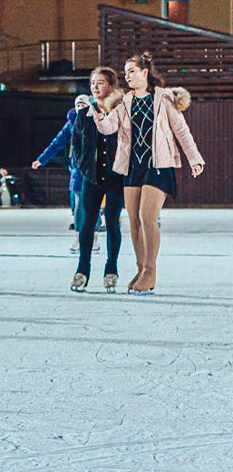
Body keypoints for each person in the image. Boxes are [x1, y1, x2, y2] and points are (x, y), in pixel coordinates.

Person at [92, 52, 204, 294]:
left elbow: (182, 131)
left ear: (145, 72)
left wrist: (194, 158)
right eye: (125, 72)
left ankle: (150, 271)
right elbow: (110, 127)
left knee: (146, 216)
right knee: (133, 220)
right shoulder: (123, 101)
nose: (127, 76)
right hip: (133, 165)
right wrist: (100, 118)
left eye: (131, 71)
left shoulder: (164, 99)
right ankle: (141, 268)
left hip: (159, 165)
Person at [69, 67, 125, 293]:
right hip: (91, 178)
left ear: (111, 86)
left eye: (100, 82)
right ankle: (82, 270)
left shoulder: (121, 112)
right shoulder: (83, 115)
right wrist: (83, 166)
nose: (95, 86)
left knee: (112, 222)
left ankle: (111, 269)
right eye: (93, 82)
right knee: (86, 224)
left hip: (115, 178)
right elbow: (76, 144)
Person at [31, 106, 86, 248]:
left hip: (94, 169)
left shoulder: (96, 120)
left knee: (91, 204)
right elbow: (56, 144)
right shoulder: (71, 124)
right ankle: (79, 236)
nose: (81, 108)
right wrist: (41, 160)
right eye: (78, 105)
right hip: (77, 169)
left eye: (84, 105)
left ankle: (92, 235)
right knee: (77, 204)